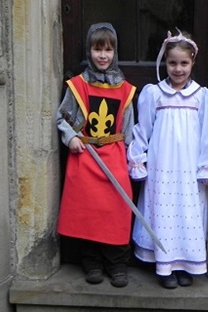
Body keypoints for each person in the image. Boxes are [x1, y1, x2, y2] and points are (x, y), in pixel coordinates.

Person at [127, 29, 208, 289]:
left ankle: (185, 264)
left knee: (187, 212)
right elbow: (142, 128)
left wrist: (207, 165)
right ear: (165, 62)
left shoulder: (202, 96)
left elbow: (207, 133)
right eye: (172, 63)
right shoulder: (154, 94)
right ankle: (164, 265)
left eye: (184, 63)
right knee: (162, 210)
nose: (178, 69)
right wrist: (137, 158)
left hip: (189, 167)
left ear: (192, 62)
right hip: (162, 165)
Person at [56, 22, 136, 288]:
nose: (103, 55)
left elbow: (128, 128)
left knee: (116, 211)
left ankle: (117, 264)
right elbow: (62, 118)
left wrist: (131, 158)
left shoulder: (125, 89)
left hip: (114, 157)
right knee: (88, 214)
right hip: (86, 156)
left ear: (115, 52)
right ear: (89, 51)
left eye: (108, 50)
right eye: (97, 49)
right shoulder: (77, 86)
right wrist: (72, 138)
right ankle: (92, 263)